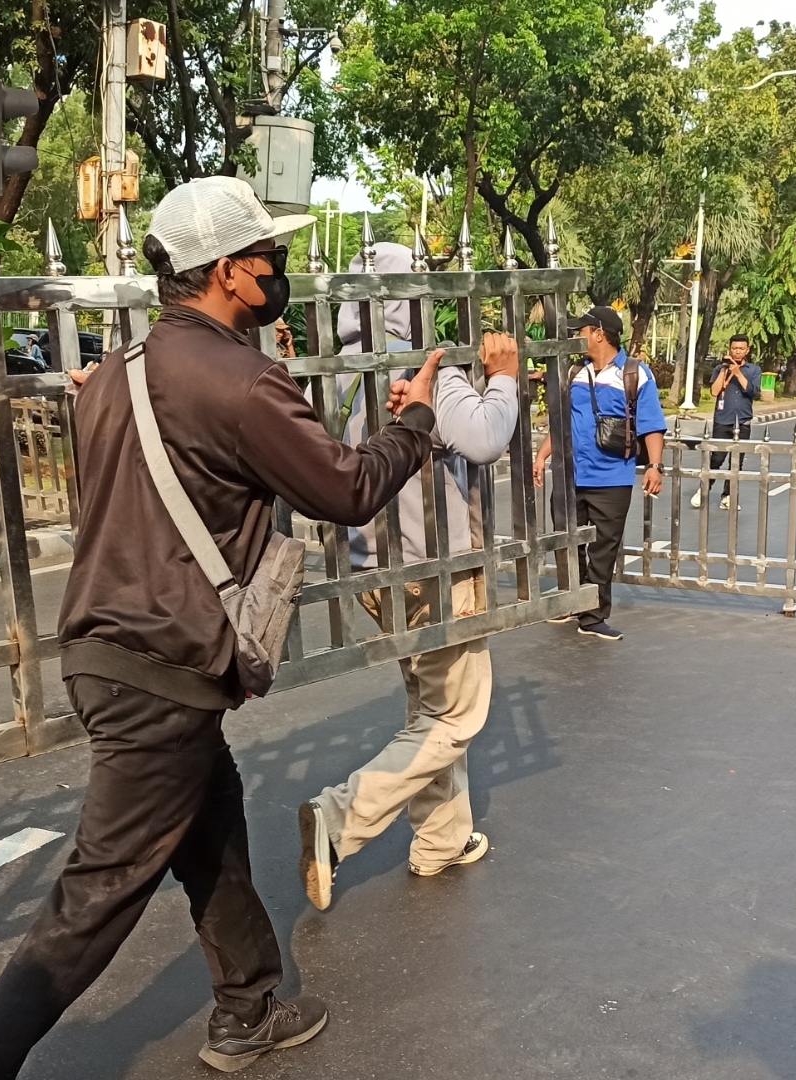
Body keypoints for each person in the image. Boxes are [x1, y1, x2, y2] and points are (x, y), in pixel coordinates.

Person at [0, 176, 441, 1079]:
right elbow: (347, 489)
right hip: (161, 664)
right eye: (271, 257)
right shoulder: (244, 381)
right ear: (233, 273)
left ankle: (248, 1008)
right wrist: (420, 424)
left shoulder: (111, 378)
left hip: (110, 649)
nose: (282, 271)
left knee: (213, 827)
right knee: (98, 892)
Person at [300, 240, 521, 910]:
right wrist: (505, 377)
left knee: (429, 709)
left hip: (373, 567)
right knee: (455, 715)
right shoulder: (422, 365)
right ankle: (339, 817)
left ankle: (440, 841)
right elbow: (484, 439)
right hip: (437, 565)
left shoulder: (338, 373)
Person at [531, 306, 667, 641]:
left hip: (612, 478)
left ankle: (593, 615)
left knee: (602, 549)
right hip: (570, 475)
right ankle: (571, 601)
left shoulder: (635, 374)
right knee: (567, 542)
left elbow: (651, 425)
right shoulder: (575, 371)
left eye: (582, 331)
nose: (578, 337)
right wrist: (542, 455)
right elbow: (563, 421)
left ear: (599, 333)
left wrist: (654, 465)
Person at [692, 335, 761, 510]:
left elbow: (753, 392)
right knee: (716, 458)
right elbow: (715, 392)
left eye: (741, 348)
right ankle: (703, 491)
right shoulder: (719, 368)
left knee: (736, 461)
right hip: (723, 420)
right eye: (734, 348)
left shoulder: (753, 370)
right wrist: (725, 370)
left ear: (747, 350)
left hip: (743, 421)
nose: (737, 351)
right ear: (730, 349)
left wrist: (738, 373)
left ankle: (729, 496)